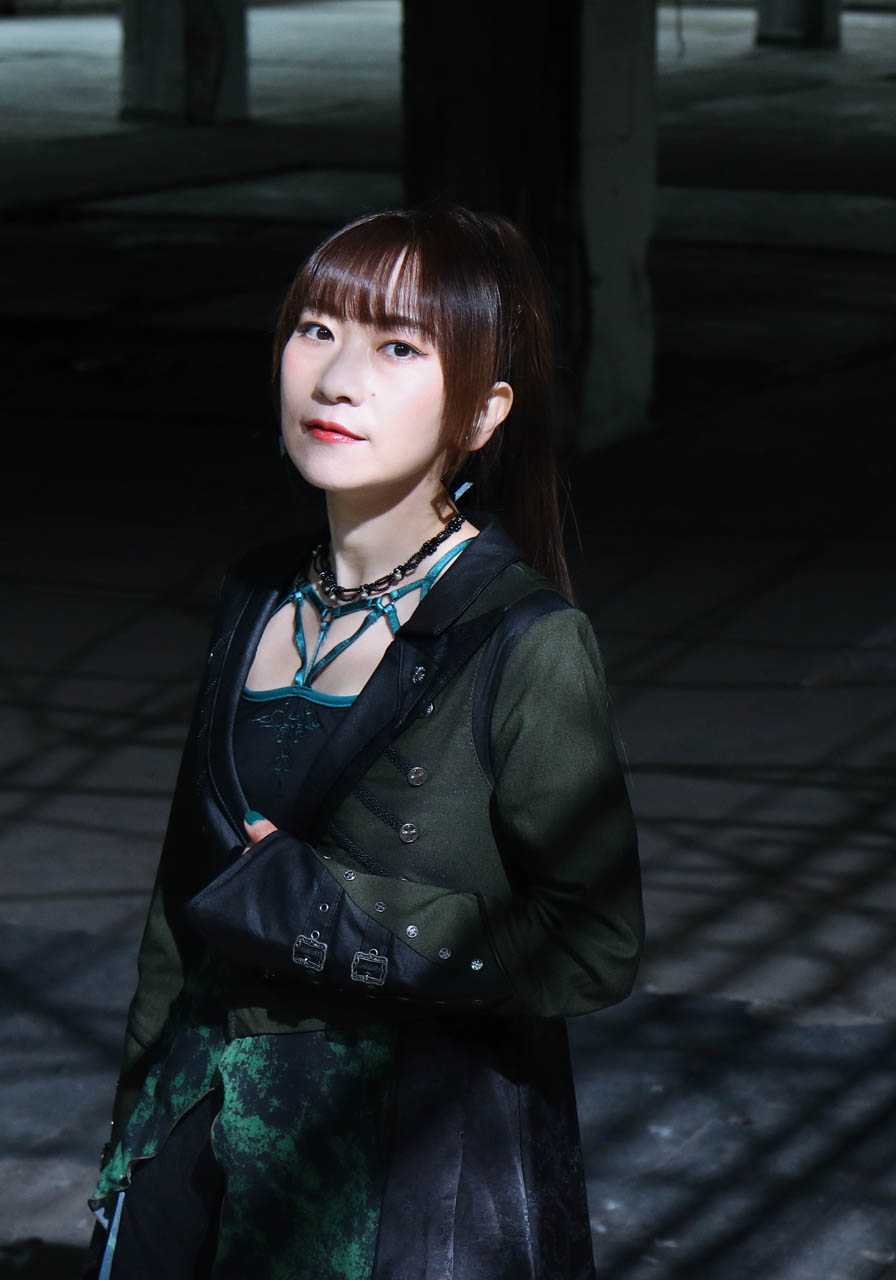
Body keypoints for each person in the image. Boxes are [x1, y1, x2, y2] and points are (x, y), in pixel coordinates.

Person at [86, 206, 644, 1280]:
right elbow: (177, 904)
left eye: (396, 347)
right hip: (195, 1130)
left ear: (481, 411)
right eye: (316, 329)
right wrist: (133, 1136)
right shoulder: (255, 590)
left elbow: (595, 944)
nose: (336, 379)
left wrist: (326, 909)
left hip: (396, 1167)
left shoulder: (525, 640)